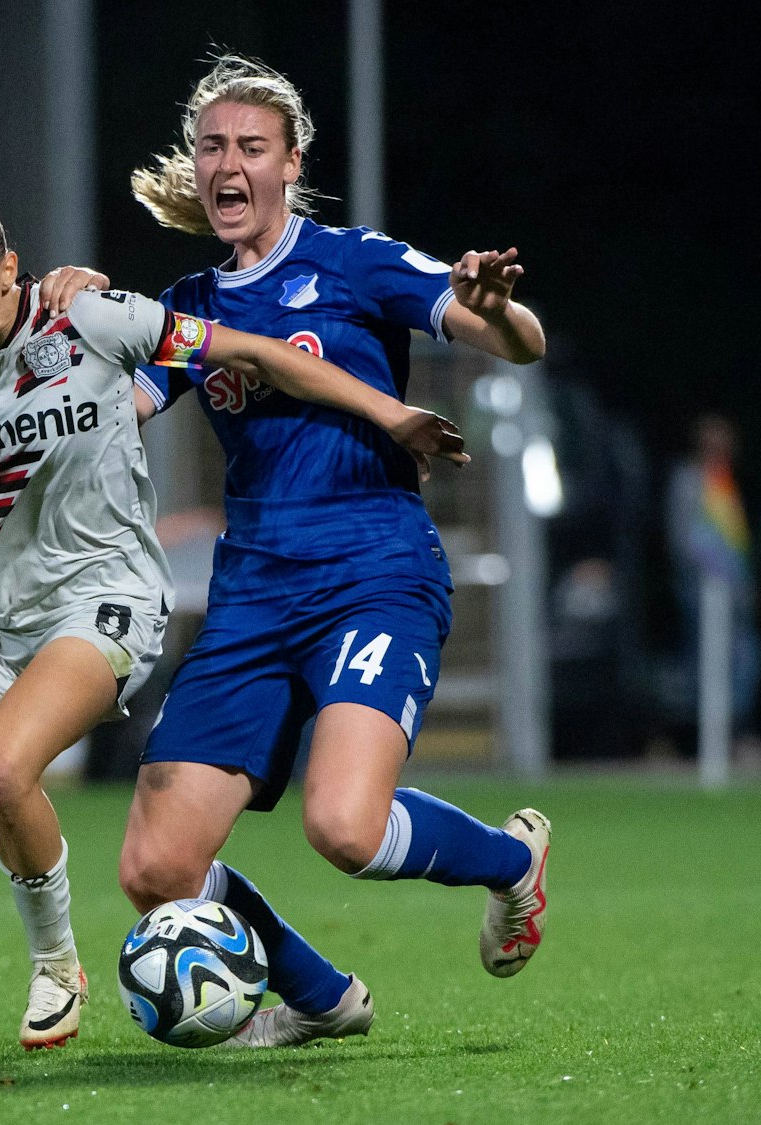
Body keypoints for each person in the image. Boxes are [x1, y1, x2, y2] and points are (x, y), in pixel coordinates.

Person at [0, 188, 466, 1056]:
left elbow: (258, 353)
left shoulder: (96, 318)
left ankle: (57, 966)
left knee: (5, 766)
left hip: (106, 601)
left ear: (11, 269)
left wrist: (391, 414)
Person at [40, 53, 552, 1048]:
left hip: (372, 574)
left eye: (249, 147)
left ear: (289, 164)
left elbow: (522, 341)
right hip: (251, 600)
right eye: (210, 148)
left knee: (344, 830)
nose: (226, 165)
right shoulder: (190, 306)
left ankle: (505, 864)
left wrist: (489, 304)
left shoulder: (354, 263)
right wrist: (67, 325)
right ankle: (319, 996)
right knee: (154, 868)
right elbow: (106, 414)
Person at [665, 414, 761, 739]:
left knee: (745, 661)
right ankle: (703, 739)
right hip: (703, 592)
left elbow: (736, 541)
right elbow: (684, 539)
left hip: (735, 594)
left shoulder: (725, 482)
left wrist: (743, 586)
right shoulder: (688, 479)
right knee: (705, 665)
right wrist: (713, 578)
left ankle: (731, 732)